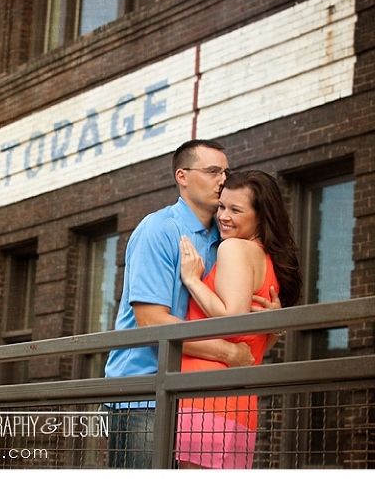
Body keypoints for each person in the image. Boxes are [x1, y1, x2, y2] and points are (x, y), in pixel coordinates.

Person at [103, 140, 281, 469]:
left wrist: (275, 323)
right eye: (213, 171)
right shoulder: (158, 230)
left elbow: (239, 319)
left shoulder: (227, 236)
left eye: (226, 172)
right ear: (182, 176)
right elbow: (152, 323)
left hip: (196, 398)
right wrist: (228, 353)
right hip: (145, 395)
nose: (223, 180)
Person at [175, 170, 302, 469]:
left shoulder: (233, 248)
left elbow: (232, 322)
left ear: (261, 216)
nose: (224, 217)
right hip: (241, 403)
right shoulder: (268, 261)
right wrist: (276, 329)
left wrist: (192, 281)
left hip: (205, 398)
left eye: (236, 210)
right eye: (222, 206)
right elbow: (255, 342)